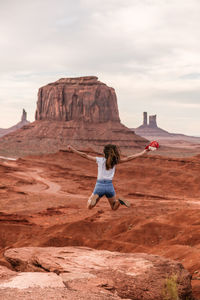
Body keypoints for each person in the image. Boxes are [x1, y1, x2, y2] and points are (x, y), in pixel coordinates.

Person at [67, 142, 158, 210]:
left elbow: (85, 155)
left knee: (89, 207)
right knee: (114, 207)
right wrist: (144, 152)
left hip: (99, 186)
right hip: (109, 186)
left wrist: (73, 149)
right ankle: (119, 201)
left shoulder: (100, 160)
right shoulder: (115, 162)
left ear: (105, 153)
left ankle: (93, 199)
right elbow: (129, 158)